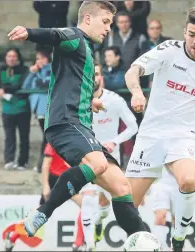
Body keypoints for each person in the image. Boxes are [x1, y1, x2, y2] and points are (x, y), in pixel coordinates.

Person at [7, 0, 147, 239]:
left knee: (122, 187)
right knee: (98, 164)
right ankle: (42, 212)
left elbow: (70, 85)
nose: (108, 29)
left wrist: (90, 102)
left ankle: (144, 239)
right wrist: (30, 33)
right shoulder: (76, 37)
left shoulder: (87, 50)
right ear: (88, 19)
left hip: (79, 125)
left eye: (110, 24)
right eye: (105, 22)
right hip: (65, 123)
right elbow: (55, 34)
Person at [124, 7, 195, 251]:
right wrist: (137, 91)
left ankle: (178, 239)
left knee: (188, 180)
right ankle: (142, 242)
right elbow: (133, 70)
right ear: (185, 32)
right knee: (126, 207)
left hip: (183, 135)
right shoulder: (169, 50)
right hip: (151, 135)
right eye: (191, 34)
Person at [74, 64, 139, 250]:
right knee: (87, 198)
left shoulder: (114, 100)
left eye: (96, 74)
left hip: (110, 160)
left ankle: (100, 220)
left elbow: (133, 127)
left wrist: (114, 141)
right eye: (89, 74)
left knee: (104, 203)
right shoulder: (78, 100)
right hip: (87, 157)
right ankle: (89, 246)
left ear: (101, 77)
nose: (93, 78)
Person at [3, 143, 82, 252]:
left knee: (86, 206)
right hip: (55, 180)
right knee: (40, 215)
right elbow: (46, 164)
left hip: (69, 179)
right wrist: (45, 186)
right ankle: (13, 235)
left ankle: (78, 243)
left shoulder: (74, 138)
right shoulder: (54, 141)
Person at [0, 48, 31, 170]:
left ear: (18, 58)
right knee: (9, 136)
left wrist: (5, 89)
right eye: (9, 56)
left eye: (14, 56)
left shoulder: (24, 70)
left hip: (22, 109)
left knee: (23, 136)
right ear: (5, 58)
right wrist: (3, 88)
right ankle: (9, 160)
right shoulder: (1, 70)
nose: (11, 58)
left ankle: (23, 161)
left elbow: (20, 85)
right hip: (7, 109)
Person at [22, 49, 52, 173]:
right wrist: (31, 73)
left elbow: (49, 83)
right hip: (39, 110)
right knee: (47, 137)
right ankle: (43, 164)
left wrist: (43, 82)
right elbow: (25, 87)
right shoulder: (35, 73)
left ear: (47, 59)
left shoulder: (53, 68)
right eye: (37, 59)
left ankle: (42, 164)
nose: (39, 61)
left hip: (50, 109)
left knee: (48, 137)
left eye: (41, 58)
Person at [151, 167, 178, 250]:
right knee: (160, 216)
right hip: (160, 182)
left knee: (177, 219)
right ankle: (158, 247)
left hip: (178, 183)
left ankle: (176, 247)